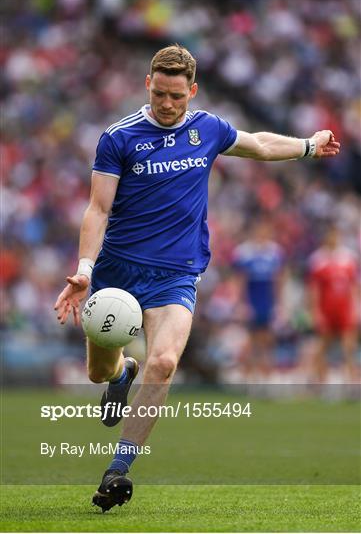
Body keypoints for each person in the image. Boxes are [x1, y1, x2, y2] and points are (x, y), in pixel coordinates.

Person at [54, 44, 340, 512]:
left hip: (176, 275)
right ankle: (123, 371)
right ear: (148, 84)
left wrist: (308, 145)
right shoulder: (118, 137)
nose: (168, 105)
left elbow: (259, 144)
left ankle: (117, 470)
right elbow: (98, 208)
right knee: (98, 371)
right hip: (116, 274)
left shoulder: (207, 128)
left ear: (193, 91)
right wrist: (85, 271)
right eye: (161, 94)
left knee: (164, 362)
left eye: (178, 97)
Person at [232, 218, 285, 379]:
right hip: (252, 298)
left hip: (266, 299)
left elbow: (278, 280)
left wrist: (279, 303)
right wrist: (241, 303)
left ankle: (266, 375)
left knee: (267, 339)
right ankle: (248, 375)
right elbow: (240, 280)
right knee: (251, 339)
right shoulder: (245, 252)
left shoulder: (275, 252)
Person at [307, 224, 359, 383]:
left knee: (349, 347)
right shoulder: (318, 259)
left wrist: (356, 307)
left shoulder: (348, 258)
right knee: (323, 347)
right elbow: (313, 289)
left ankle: (352, 384)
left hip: (345, 309)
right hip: (326, 309)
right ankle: (320, 382)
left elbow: (354, 286)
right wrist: (315, 311)